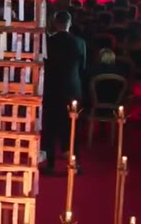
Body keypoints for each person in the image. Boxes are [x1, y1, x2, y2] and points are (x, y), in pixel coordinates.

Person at [41, 11, 86, 175]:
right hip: (72, 88)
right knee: (72, 127)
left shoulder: (48, 42)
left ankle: (50, 164)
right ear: (70, 23)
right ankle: (75, 164)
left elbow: (43, 65)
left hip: (52, 88)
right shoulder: (79, 42)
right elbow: (82, 68)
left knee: (51, 128)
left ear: (55, 23)